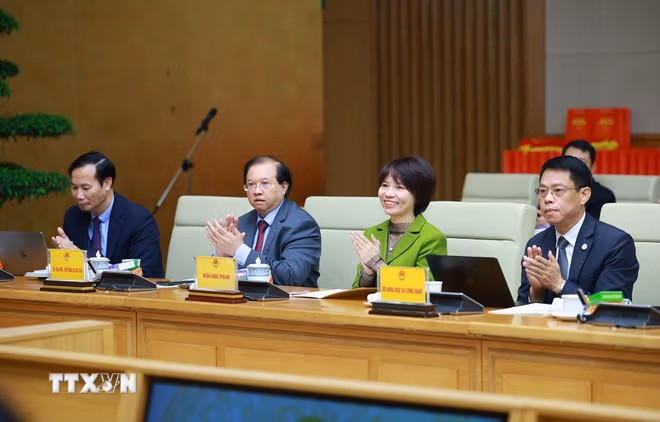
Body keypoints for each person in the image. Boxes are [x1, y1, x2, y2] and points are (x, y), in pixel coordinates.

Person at [517, 155, 638, 305]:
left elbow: (610, 307)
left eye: (558, 190)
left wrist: (560, 285)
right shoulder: (537, 243)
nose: (547, 199)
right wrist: (537, 291)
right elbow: (520, 306)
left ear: (583, 195)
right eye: (542, 191)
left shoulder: (615, 244)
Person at [206, 156, 321, 287]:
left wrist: (239, 250)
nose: (257, 191)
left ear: (284, 187)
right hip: (244, 298)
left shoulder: (302, 225)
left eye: (265, 183)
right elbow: (222, 281)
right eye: (251, 184)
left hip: (289, 299)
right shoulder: (242, 223)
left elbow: (291, 276)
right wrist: (222, 256)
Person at [51, 151, 165, 278]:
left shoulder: (138, 220)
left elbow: (146, 275)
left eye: (86, 188)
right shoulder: (73, 216)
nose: (79, 195)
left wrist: (81, 259)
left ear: (107, 183)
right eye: (74, 188)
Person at [351, 156, 447, 288]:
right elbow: (357, 291)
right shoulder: (372, 233)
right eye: (385, 185)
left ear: (419, 194)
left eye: (400, 187)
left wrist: (377, 264)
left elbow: (424, 290)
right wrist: (368, 273)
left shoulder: (432, 238)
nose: (388, 194)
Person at [562, 139, 615, 219]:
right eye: (569, 160)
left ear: (592, 167)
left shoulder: (604, 196)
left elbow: (592, 225)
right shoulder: (550, 190)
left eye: (581, 162)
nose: (574, 166)